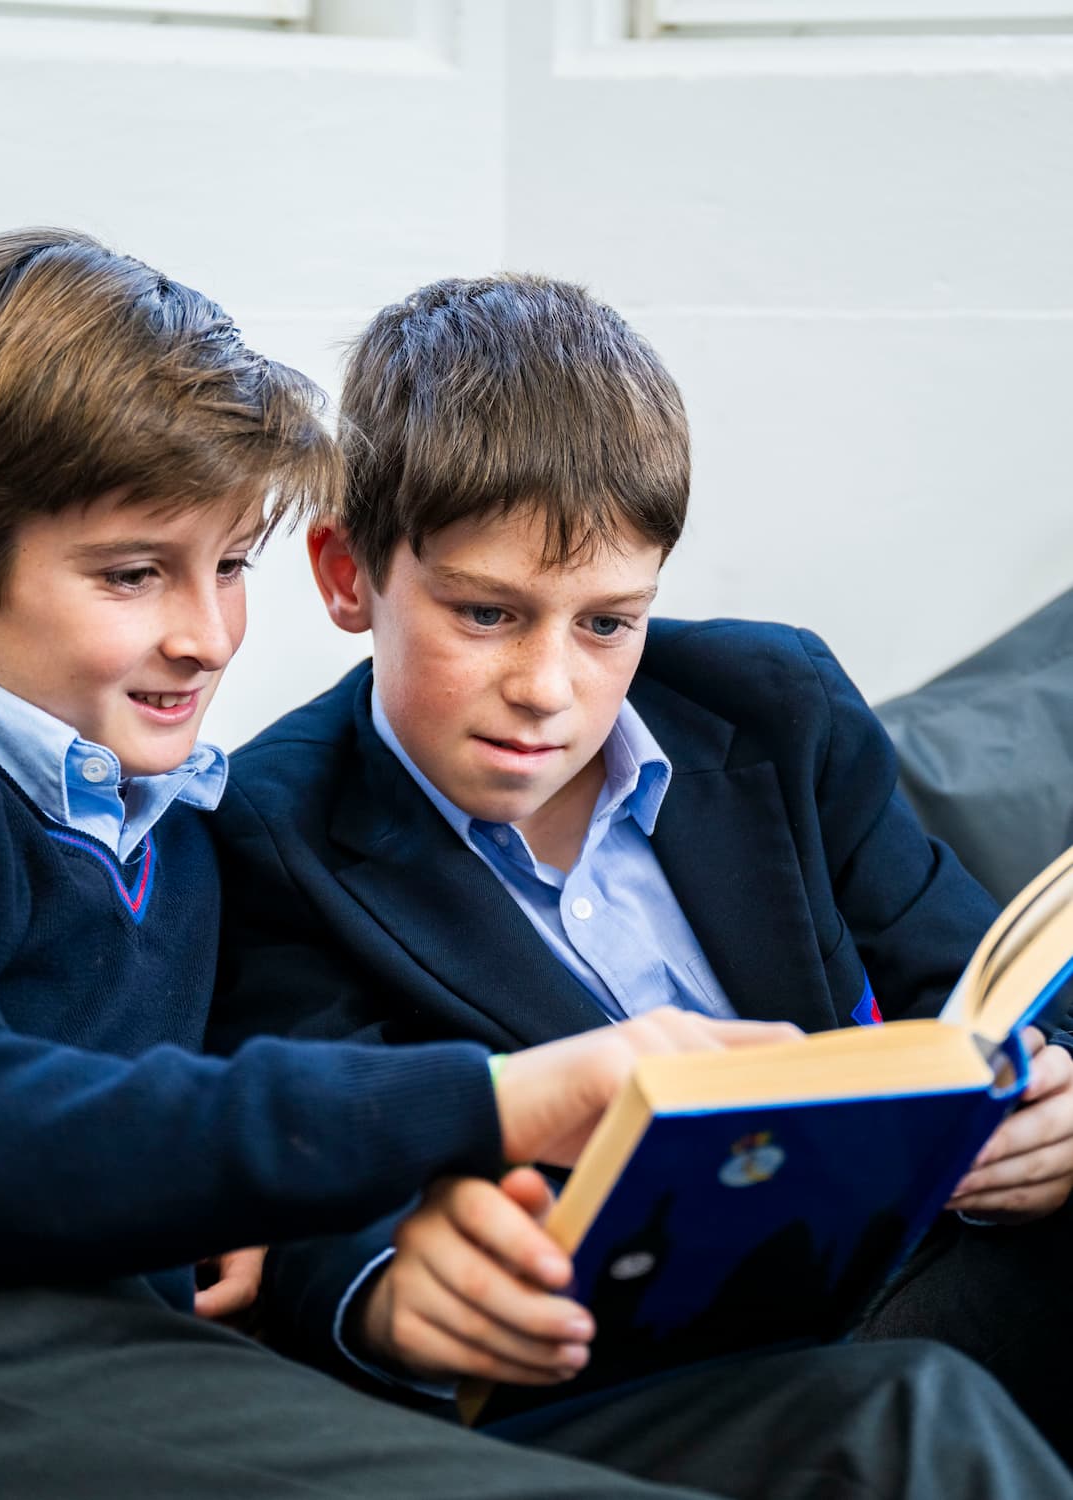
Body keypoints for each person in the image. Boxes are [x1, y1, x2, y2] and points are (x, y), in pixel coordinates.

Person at [0, 231, 1068, 1500]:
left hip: (108, 1344)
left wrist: (226, 1240)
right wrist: (486, 1115)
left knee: (897, 1421)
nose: (206, 635)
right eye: (133, 575)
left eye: (228, 566)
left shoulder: (162, 831)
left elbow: (180, 1128)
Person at [210, 272, 1073, 1459]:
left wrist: (1055, 1103)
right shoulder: (267, 832)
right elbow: (315, 1158)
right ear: (348, 574)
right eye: (486, 614)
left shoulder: (776, 706)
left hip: (902, 1280)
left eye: (608, 622)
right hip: (614, 1383)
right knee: (903, 1408)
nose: (548, 688)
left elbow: (979, 982)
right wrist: (392, 1275)